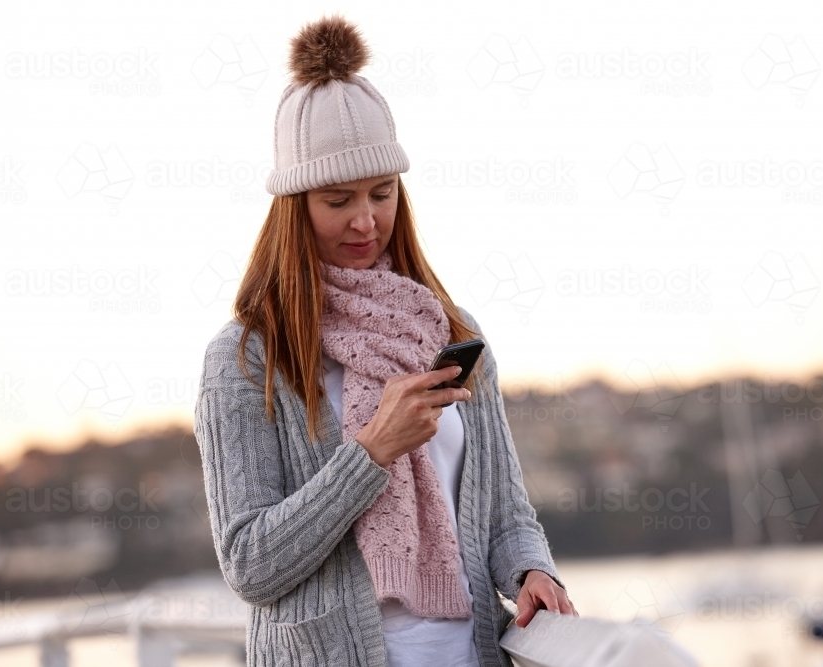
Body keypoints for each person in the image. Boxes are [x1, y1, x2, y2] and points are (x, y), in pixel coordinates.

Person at [193, 15, 576, 667]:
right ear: (293, 206)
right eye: (338, 198)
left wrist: (533, 572)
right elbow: (250, 564)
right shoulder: (245, 358)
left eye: (382, 191)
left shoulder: (452, 332)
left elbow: (506, 512)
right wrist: (370, 452)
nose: (366, 219)